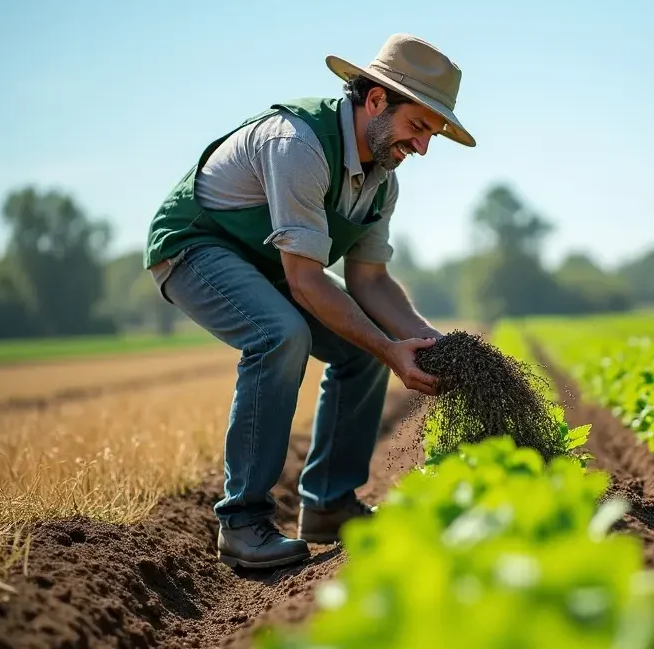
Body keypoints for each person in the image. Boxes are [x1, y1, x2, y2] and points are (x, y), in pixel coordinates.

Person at [142, 33, 476, 569]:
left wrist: (435, 344)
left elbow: (371, 283)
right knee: (280, 335)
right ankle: (242, 521)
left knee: (363, 342)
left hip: (271, 264)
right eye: (418, 126)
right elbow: (305, 281)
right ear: (375, 100)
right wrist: (391, 350)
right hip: (196, 246)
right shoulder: (298, 144)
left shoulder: (382, 182)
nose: (422, 147)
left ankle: (328, 505)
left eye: (432, 134)